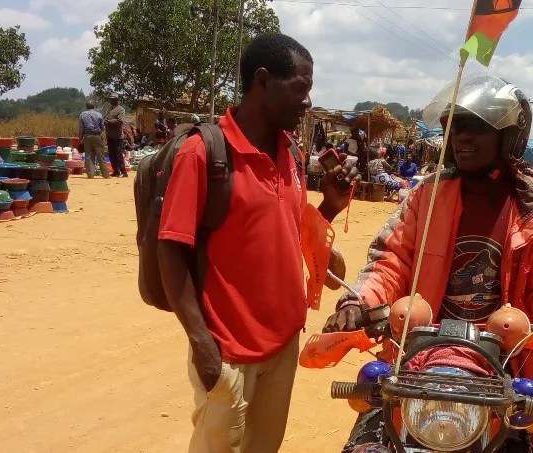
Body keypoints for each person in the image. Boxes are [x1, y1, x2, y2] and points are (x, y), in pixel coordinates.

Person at [325, 75, 533, 451]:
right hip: (419, 354)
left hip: (503, 365)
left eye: (477, 128)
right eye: (457, 127)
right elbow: (390, 259)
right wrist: (358, 301)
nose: (462, 137)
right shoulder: (427, 196)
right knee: (368, 440)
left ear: (509, 136)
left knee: (528, 439)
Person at [157, 33, 359, 453]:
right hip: (227, 348)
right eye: (300, 88)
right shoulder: (203, 154)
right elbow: (171, 251)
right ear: (263, 81)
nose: (307, 101)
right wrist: (202, 343)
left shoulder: (290, 152)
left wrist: (329, 207)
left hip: (282, 342)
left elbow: (289, 233)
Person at [78, 101, 110, 178]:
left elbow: (81, 128)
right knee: (100, 155)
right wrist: (102, 138)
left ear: (86, 106)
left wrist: (80, 138)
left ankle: (90, 174)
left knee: (88, 155)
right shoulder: (99, 114)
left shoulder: (82, 114)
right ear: (94, 106)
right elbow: (102, 128)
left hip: (87, 136)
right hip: (97, 136)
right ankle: (105, 174)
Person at [104, 94, 128, 177]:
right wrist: (105, 121)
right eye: (110, 99)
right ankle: (116, 171)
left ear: (117, 100)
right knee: (111, 154)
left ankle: (123, 172)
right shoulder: (109, 109)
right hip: (109, 135)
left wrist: (109, 122)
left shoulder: (121, 109)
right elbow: (106, 118)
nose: (111, 101)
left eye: (113, 99)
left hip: (118, 136)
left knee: (118, 154)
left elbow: (120, 121)